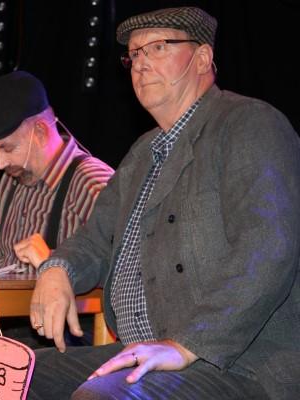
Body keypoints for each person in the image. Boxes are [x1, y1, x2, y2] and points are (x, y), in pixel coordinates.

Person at [27, 6, 300, 399]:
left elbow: (268, 247)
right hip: (146, 350)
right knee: (8, 374)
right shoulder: (142, 153)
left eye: (158, 47)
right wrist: (57, 269)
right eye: (134, 55)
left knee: (104, 397)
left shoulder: (249, 124)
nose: (140, 63)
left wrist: (185, 344)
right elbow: (95, 239)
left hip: (236, 361)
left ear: (202, 58)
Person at [0, 70, 114, 347]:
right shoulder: (9, 183)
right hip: (2, 330)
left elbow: (131, 272)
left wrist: (54, 263)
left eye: (7, 148)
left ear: (40, 132)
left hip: (66, 340)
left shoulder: (93, 183)